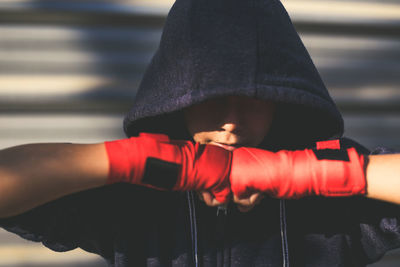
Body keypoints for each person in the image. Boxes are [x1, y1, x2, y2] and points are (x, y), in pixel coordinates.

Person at [0, 0, 400, 266]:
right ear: (177, 98)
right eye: (209, 97)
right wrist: (132, 161)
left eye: (253, 97)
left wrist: (299, 172)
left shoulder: (329, 180)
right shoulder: (134, 195)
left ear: (283, 97)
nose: (230, 119)